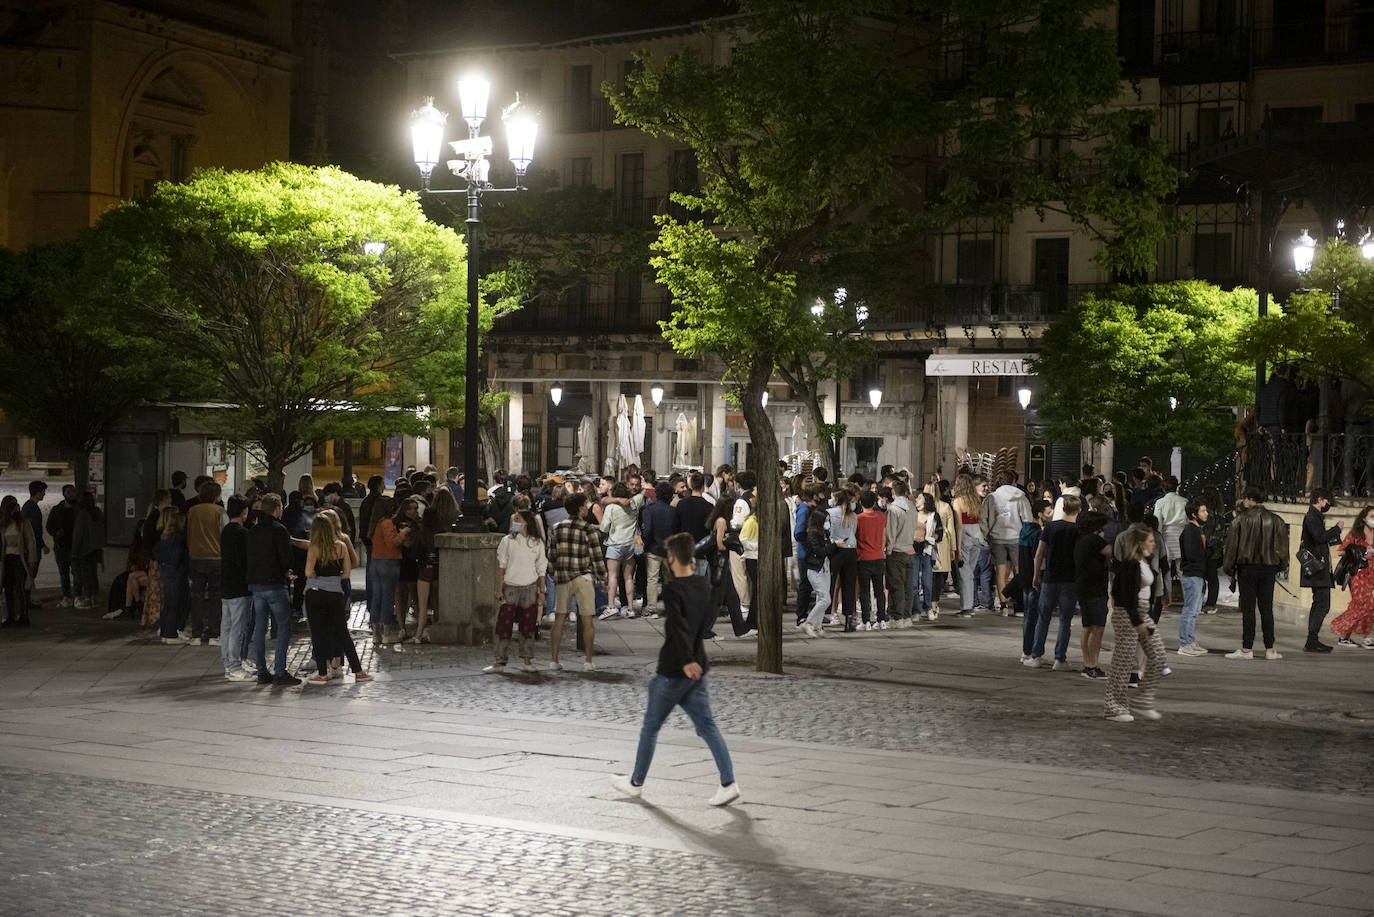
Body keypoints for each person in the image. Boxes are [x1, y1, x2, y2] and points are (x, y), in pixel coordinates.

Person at [609, 532, 740, 806]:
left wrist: (686, 660)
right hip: (698, 668)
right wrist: (695, 661)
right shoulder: (703, 586)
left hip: (674, 670)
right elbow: (701, 625)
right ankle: (728, 782)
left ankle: (636, 782)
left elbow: (676, 628)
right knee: (707, 726)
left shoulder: (673, 589)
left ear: (672, 557)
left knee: (650, 727)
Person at [1104, 526, 1167, 723]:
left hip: (1141, 614)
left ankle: (1142, 700)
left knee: (1157, 655)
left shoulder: (1143, 562)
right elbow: (1121, 594)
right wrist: (1136, 621)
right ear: (1140, 543)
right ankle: (1113, 707)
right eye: (1150, 541)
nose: (1153, 543)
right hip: (1127, 615)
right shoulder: (1131, 565)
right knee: (1122, 664)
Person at [1221, 487, 1289, 661]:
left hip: (1247, 569)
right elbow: (1283, 549)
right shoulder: (1277, 521)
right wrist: (1279, 566)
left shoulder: (1240, 520)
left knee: (1248, 610)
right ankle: (1270, 649)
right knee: (1267, 609)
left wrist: (1229, 569)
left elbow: (1231, 547)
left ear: (1250, 500)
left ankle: (1246, 649)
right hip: (1268, 569)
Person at [246, 494, 300, 686]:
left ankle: (262, 670)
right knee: (283, 626)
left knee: (260, 628)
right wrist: (287, 571)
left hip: (257, 585)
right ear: (278, 509)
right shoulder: (280, 530)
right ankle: (280, 670)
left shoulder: (253, 531)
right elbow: (286, 559)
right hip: (275, 584)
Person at [550, 492, 607, 671]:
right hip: (583, 576)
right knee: (587, 618)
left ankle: (554, 659)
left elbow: (551, 556)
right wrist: (602, 577)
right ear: (581, 508)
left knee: (559, 618)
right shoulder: (587, 529)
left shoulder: (557, 527)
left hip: (563, 577)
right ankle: (588, 661)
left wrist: (555, 573)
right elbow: (596, 556)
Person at [485, 510, 548, 673]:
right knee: (503, 625)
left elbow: (541, 568)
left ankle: (528, 660)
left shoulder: (536, 542)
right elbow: (501, 567)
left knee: (528, 626)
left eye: (518, 519)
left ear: (526, 522)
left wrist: (542, 591)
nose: (514, 522)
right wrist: (499, 588)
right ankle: (499, 660)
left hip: (530, 586)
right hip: (510, 587)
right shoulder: (507, 541)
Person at [1027, 494, 1081, 670]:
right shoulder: (1078, 530)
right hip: (1070, 580)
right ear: (1078, 510)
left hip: (1050, 578)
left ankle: (1036, 656)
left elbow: (1039, 554)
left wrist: (1036, 576)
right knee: (1065, 620)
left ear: (1062, 508)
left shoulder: (1050, 527)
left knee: (1043, 618)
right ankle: (1060, 659)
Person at [980, 471, 1032, 617]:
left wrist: (986, 535)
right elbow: (1027, 518)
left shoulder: (992, 497)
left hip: (997, 538)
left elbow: (983, 518)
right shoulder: (1020, 497)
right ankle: (1019, 605)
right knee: (1019, 571)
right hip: (1016, 537)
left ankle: (1003, 605)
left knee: (1000, 572)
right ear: (1013, 482)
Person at [1299, 488, 1343, 653]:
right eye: (1327, 501)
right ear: (1319, 499)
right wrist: (1336, 529)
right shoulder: (1311, 516)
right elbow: (1319, 537)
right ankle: (1311, 641)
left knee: (1320, 604)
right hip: (1317, 568)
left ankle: (1312, 640)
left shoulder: (1315, 516)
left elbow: (1320, 538)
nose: (1328, 504)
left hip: (1319, 567)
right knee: (1322, 604)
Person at [185, 480, 225, 645]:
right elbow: (224, 534)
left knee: (197, 596)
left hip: (196, 557)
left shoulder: (193, 511)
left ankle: (196, 633)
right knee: (216, 597)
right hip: (216, 558)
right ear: (216, 495)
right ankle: (214, 634)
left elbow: (188, 533)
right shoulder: (220, 511)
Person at [219, 495, 254, 680]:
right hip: (239, 587)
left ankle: (228, 662)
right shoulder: (243, 533)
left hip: (226, 584)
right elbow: (245, 561)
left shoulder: (226, 531)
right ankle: (234, 666)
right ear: (244, 511)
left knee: (226, 626)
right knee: (237, 628)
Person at [1073, 511, 1112, 678]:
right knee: (1098, 628)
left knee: (1087, 627)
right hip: (1094, 588)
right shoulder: (1095, 540)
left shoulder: (1081, 539)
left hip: (1083, 586)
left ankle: (1087, 664)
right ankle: (1093, 665)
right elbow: (1114, 551)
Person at [1329, 505, 1374, 649]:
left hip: (1371, 574)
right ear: (1364, 519)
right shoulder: (1356, 534)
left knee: (1361, 605)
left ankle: (1345, 637)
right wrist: (1359, 551)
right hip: (1358, 573)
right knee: (1368, 602)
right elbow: (1340, 551)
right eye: (1372, 516)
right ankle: (1367, 637)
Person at [598, 482, 642, 620]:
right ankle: (630, 608)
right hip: (630, 544)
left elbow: (604, 528)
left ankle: (611, 607)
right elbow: (642, 494)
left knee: (613, 576)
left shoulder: (611, 507)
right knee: (628, 577)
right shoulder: (634, 505)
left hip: (615, 544)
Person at [640, 482, 680, 616]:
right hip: (669, 550)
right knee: (669, 579)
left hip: (653, 549)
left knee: (652, 579)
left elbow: (648, 530)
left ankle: (651, 607)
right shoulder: (674, 511)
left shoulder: (649, 509)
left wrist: (645, 544)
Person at [1177, 500, 1210, 657]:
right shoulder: (1190, 531)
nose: (1206, 513)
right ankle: (1184, 643)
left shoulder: (1198, 530)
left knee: (1195, 611)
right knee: (1189, 611)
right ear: (1194, 514)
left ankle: (1190, 640)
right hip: (1192, 575)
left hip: (1198, 575)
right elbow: (1191, 554)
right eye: (1203, 511)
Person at [154, 507, 192, 645]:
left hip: (165, 569)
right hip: (176, 571)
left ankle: (166, 631)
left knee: (169, 602)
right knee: (176, 602)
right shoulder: (179, 538)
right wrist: (183, 569)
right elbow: (179, 556)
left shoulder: (165, 536)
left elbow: (156, 551)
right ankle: (171, 634)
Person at [1, 496, 39, 627]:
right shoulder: (3, 524)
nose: (15, 508)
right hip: (6, 560)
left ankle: (23, 616)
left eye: (16, 505)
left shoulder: (23, 522)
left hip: (19, 559)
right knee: (8, 589)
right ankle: (10, 616)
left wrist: (32, 559)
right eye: (11, 506)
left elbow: (31, 541)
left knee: (19, 588)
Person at [952, 475, 987, 614]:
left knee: (964, 573)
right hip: (978, 538)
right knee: (970, 573)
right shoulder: (976, 500)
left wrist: (958, 546)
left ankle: (967, 607)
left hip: (965, 537)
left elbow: (959, 526)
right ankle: (970, 604)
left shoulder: (958, 501)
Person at [883, 481, 915, 628]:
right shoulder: (912, 507)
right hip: (910, 549)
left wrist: (888, 550)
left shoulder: (893, 510)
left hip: (897, 551)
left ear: (893, 493)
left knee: (897, 586)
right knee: (908, 586)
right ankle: (907, 616)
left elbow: (891, 533)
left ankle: (897, 617)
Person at [828, 483, 860, 631]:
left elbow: (827, 531)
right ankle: (848, 619)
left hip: (836, 550)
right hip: (851, 551)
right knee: (849, 586)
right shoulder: (853, 515)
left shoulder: (830, 513)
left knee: (830, 584)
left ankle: (828, 613)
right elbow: (853, 532)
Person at [800, 505, 834, 638]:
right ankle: (808, 622)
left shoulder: (823, 533)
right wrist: (834, 545)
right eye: (826, 520)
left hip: (824, 567)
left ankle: (817, 626)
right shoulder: (812, 534)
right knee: (826, 599)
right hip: (815, 569)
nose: (828, 523)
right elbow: (819, 552)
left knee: (822, 597)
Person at [855, 489, 887, 630]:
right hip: (878, 556)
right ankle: (881, 619)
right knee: (879, 590)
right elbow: (884, 537)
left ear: (860, 502)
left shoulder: (858, 518)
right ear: (874, 502)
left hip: (863, 557)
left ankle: (866, 620)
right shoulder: (881, 516)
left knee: (865, 591)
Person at [70, 491, 105, 610]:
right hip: (95, 548)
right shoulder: (97, 513)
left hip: (84, 550)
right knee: (93, 574)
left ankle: (87, 598)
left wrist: (74, 552)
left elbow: (78, 535)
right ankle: (95, 598)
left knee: (84, 575)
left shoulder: (82, 515)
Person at [20, 481, 47, 609]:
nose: (45, 494)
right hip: (32, 547)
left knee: (30, 574)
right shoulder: (31, 508)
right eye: (43, 491)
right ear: (38, 492)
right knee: (30, 574)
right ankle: (25, 600)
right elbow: (33, 531)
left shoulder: (29, 507)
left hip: (33, 546)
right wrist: (41, 545)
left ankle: (26, 599)